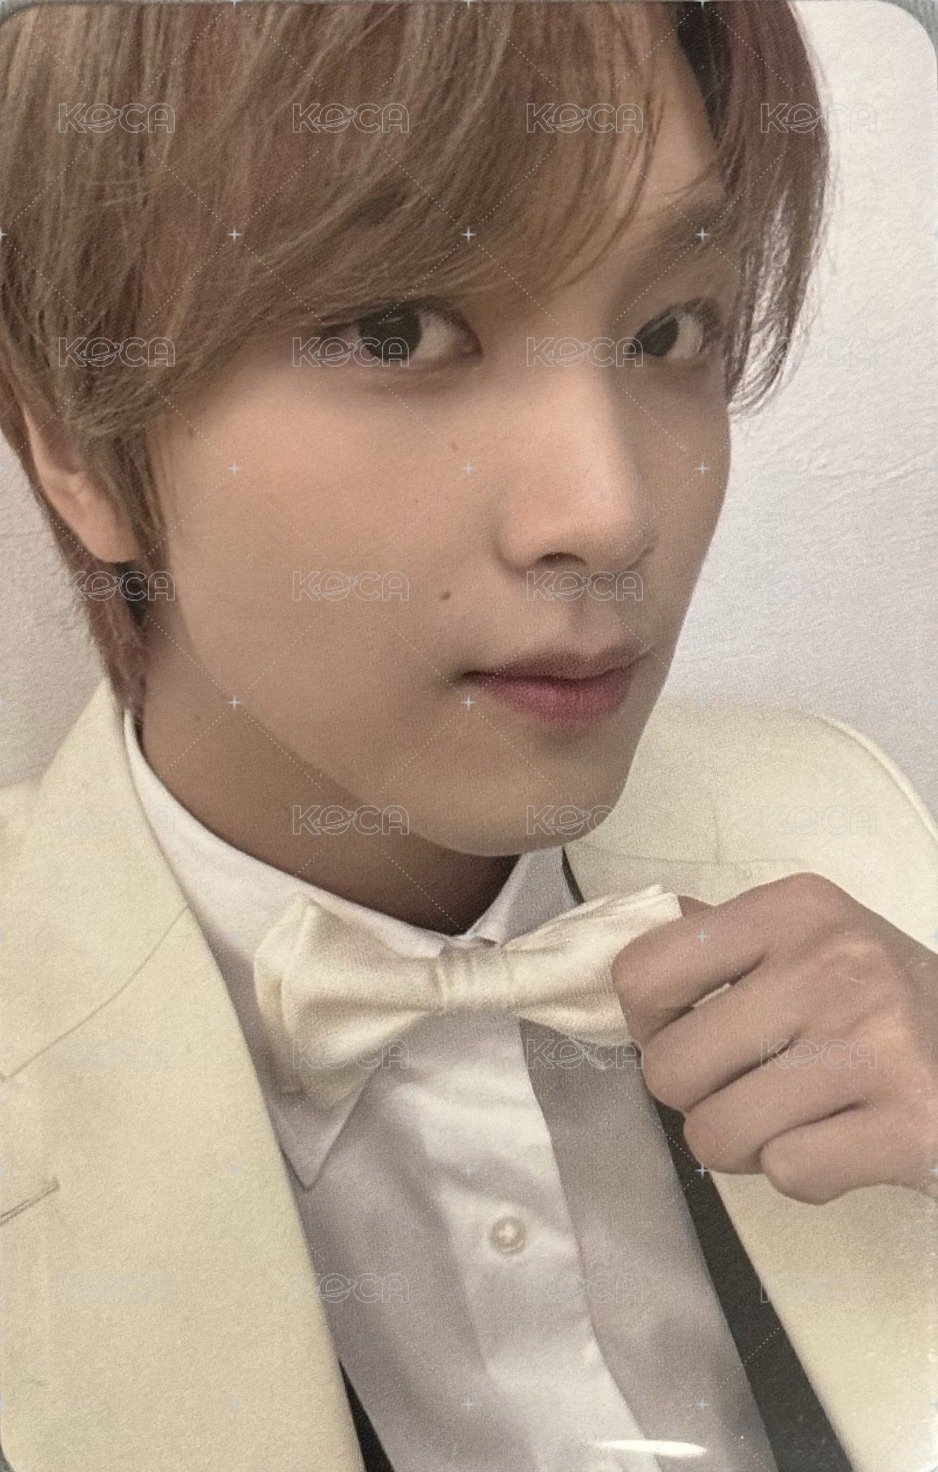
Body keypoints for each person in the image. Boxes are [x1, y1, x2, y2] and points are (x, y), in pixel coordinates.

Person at [1, 4, 936, 1471]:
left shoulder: (845, 815)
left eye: (667, 331)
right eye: (397, 330)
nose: (609, 513)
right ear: (73, 439)